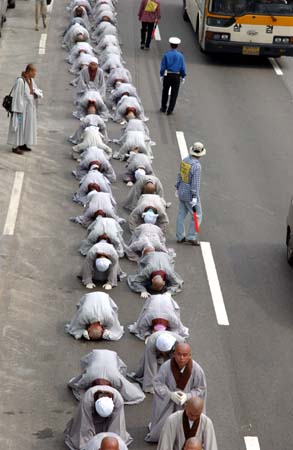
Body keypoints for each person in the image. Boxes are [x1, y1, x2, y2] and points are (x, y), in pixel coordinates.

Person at [145, 343, 207, 442]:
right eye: (179, 354)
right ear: (174, 354)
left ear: (190, 356)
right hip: (169, 403)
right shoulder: (166, 366)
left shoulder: (197, 370)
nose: (181, 358)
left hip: (186, 405)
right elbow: (157, 383)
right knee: (163, 429)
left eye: (185, 355)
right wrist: (170, 394)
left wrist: (188, 396)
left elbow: (201, 388)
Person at [64, 385, 132, 450]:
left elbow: (117, 423)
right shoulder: (87, 400)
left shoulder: (118, 400)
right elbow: (84, 424)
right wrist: (86, 443)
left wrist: (112, 439)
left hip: (109, 421)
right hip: (92, 418)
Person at [67, 349, 145, 404]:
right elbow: (78, 386)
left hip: (112, 356)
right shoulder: (88, 377)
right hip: (94, 354)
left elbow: (131, 392)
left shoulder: (117, 379)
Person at [7, 64, 43, 155]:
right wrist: (18, 110)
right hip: (20, 110)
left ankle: (22, 143)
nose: (35, 74)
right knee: (19, 127)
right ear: (29, 71)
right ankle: (15, 146)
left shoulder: (31, 80)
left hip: (28, 109)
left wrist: (36, 94)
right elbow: (18, 96)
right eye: (34, 72)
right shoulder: (20, 81)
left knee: (26, 127)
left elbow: (33, 90)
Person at [175, 142, 206, 246]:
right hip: (189, 193)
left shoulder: (185, 161)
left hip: (181, 190)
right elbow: (195, 183)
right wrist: (194, 196)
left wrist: (177, 186)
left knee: (181, 214)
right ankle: (191, 236)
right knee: (197, 215)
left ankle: (180, 236)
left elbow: (180, 174)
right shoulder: (197, 166)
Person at [160, 37, 186, 115]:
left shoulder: (166, 55)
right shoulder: (181, 56)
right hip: (176, 76)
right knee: (174, 93)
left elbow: (163, 67)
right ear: (177, 45)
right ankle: (170, 110)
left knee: (165, 91)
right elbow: (182, 67)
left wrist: (161, 75)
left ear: (170, 45)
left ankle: (163, 107)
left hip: (167, 75)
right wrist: (183, 76)